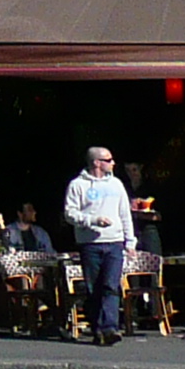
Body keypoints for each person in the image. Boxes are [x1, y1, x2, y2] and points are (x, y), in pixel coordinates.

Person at [61, 146, 133, 346]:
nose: (113, 163)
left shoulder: (116, 184)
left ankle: (109, 327)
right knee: (94, 288)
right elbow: (70, 213)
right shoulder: (78, 185)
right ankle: (98, 328)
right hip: (90, 244)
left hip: (114, 242)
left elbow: (125, 213)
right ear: (97, 163)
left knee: (111, 285)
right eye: (108, 160)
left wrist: (130, 241)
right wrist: (92, 220)